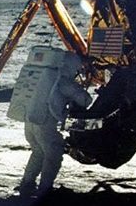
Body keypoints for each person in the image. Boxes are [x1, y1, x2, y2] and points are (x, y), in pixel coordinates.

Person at [16, 50, 93, 197]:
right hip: (45, 124)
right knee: (53, 155)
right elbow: (85, 100)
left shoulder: (46, 78)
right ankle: (45, 189)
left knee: (38, 152)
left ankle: (26, 184)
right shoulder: (63, 82)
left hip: (30, 122)